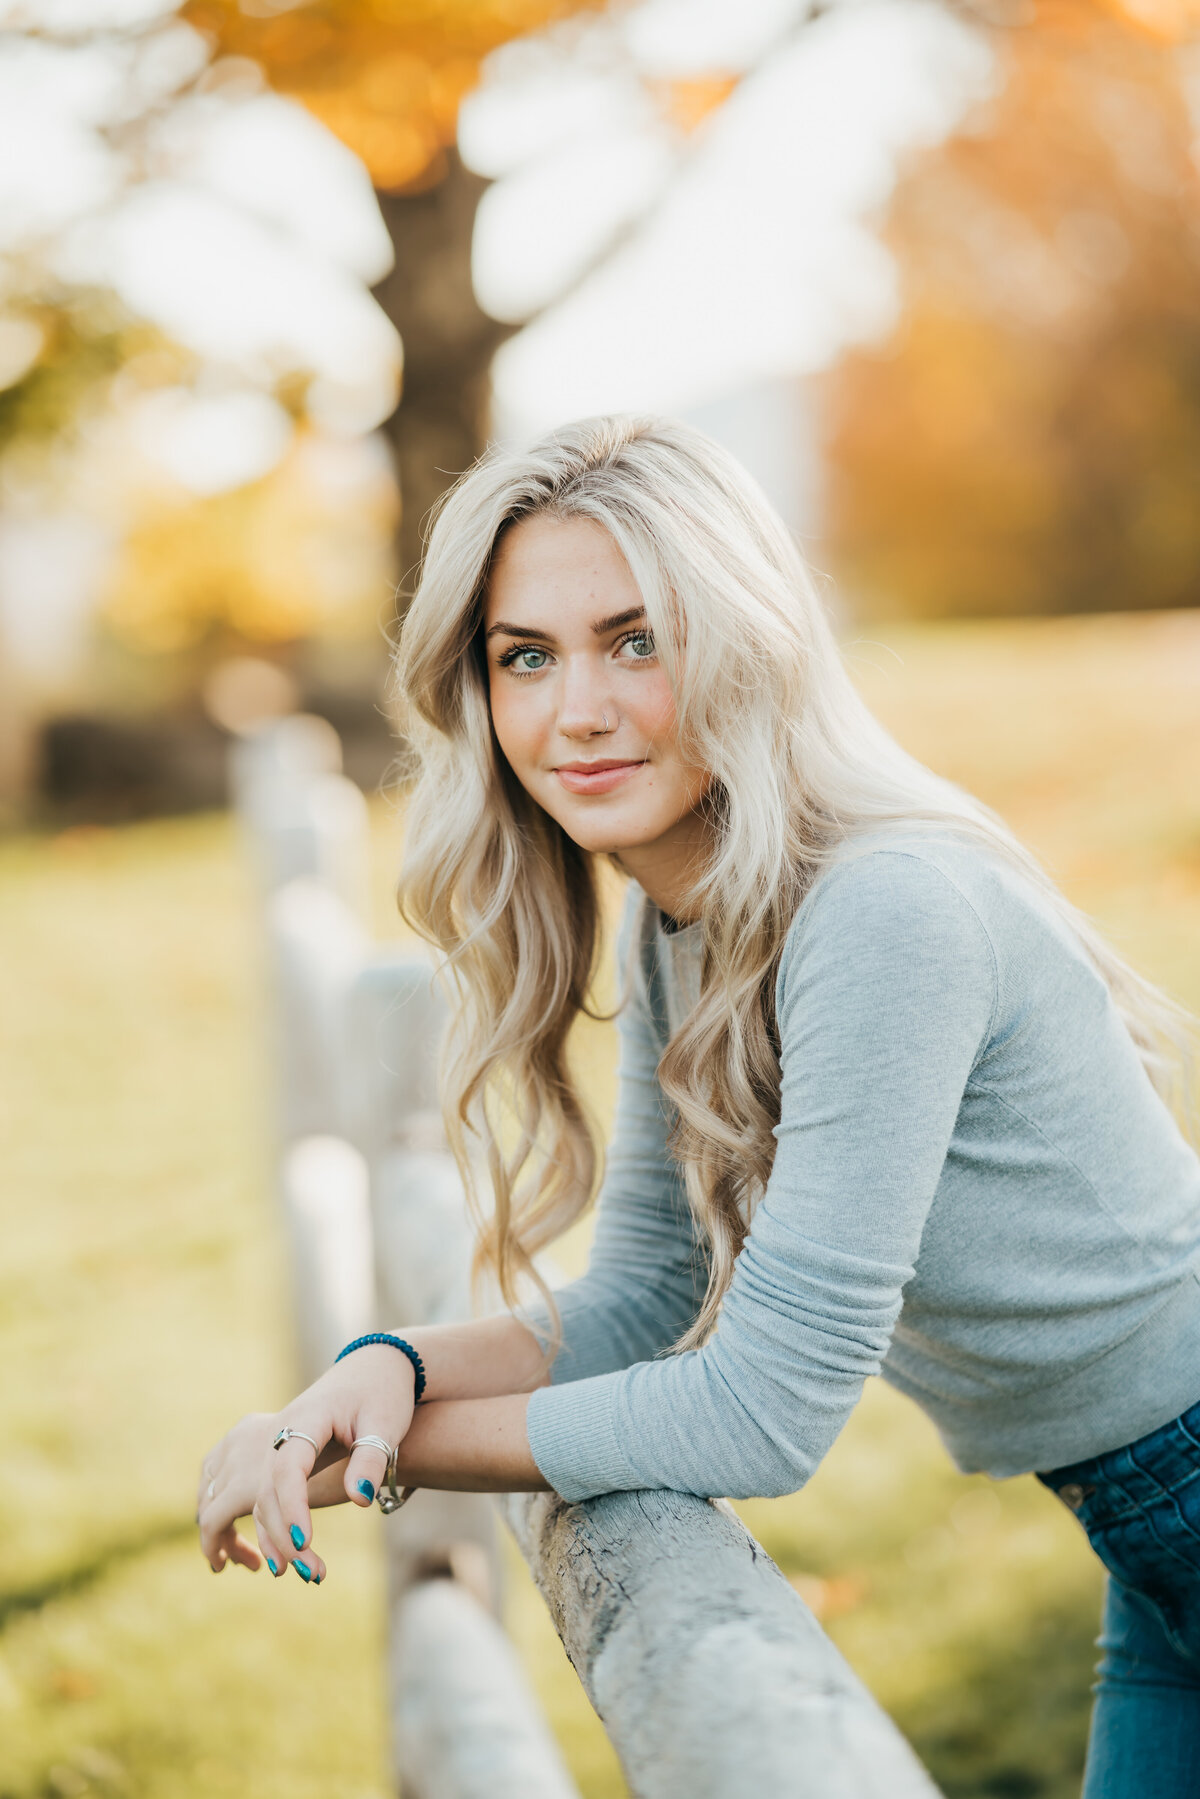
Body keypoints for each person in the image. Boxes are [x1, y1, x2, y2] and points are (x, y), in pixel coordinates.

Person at [198, 415, 1200, 1796]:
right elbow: (649, 1302)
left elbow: (761, 1414)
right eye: (525, 656)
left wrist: (389, 1455)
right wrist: (387, 1372)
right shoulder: (688, 925)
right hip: (1154, 1544)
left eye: (638, 639)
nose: (577, 711)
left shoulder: (884, 909)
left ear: (744, 643)